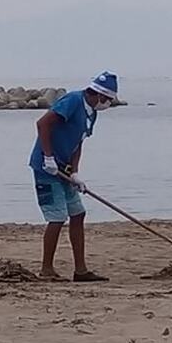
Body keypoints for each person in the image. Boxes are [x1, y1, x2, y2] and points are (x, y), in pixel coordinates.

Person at [28, 71, 119, 282]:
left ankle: (81, 270)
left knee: (78, 214)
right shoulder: (72, 101)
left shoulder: (92, 113)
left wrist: (75, 171)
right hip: (46, 168)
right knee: (57, 217)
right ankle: (46, 269)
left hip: (64, 171)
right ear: (98, 94)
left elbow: (79, 142)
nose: (107, 105)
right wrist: (48, 157)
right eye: (106, 100)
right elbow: (42, 124)